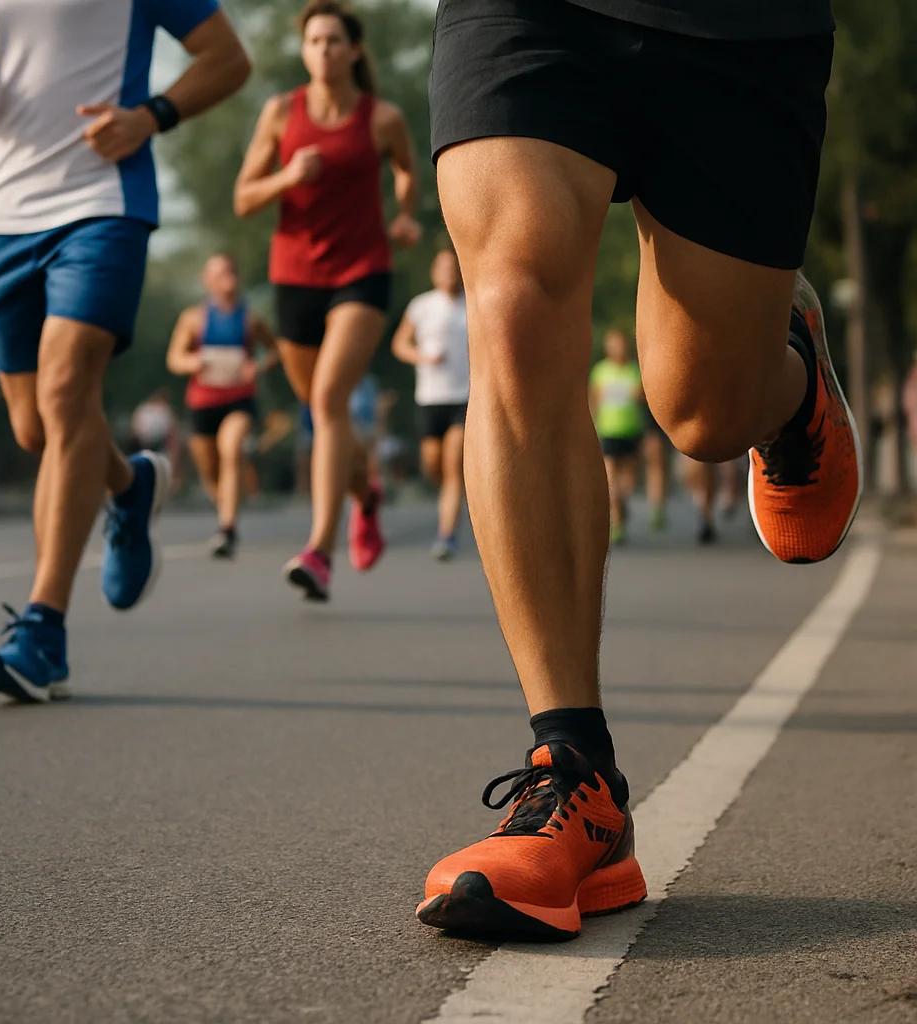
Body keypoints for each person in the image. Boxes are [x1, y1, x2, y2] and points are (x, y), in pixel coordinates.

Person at [418, 0, 861, 941]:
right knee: (512, 302)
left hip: (740, 28)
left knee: (703, 412)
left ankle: (783, 387)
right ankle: (574, 773)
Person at [0, 0, 249, 702]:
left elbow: (226, 57)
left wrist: (150, 115)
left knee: (67, 394)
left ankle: (43, 632)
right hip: (2, 217)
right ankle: (130, 486)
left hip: (103, 203)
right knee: (37, 428)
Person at [234, 0, 421, 602]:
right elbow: (244, 200)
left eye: (334, 41)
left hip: (362, 272)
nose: (323, 50)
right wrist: (287, 178)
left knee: (329, 399)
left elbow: (407, 170)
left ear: (354, 50)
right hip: (294, 276)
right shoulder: (278, 113)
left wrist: (407, 215)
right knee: (322, 410)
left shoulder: (382, 117)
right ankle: (365, 493)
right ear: (304, 50)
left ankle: (318, 550)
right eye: (313, 41)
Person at [166, 253, 277, 559]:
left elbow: (275, 351)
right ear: (207, 281)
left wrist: (257, 366)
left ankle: (227, 528)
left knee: (232, 450)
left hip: (239, 398)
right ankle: (225, 509)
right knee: (210, 469)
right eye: (217, 274)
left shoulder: (251, 319)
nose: (225, 279)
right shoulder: (194, 318)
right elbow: (174, 358)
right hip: (203, 401)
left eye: (229, 272)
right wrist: (194, 361)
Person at [392, 244, 469, 560]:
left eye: (454, 268)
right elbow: (400, 344)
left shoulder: (472, 305)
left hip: (465, 395)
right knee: (433, 464)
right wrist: (422, 357)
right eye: (443, 268)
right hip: (429, 398)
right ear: (434, 273)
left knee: (453, 465)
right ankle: (449, 493)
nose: (449, 274)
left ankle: (446, 535)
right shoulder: (421, 306)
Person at [589, 329, 644, 544]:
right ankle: (617, 520)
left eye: (620, 344)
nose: (617, 348)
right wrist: (593, 423)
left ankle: (622, 502)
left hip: (631, 429)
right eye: (613, 344)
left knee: (628, 479)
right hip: (609, 430)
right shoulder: (600, 371)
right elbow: (594, 399)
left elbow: (643, 399)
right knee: (610, 475)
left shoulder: (634, 370)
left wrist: (635, 394)